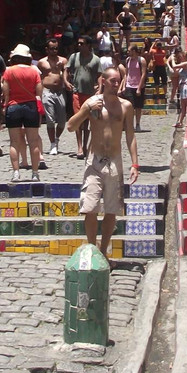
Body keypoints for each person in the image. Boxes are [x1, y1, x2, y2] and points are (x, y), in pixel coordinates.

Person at [67, 66, 139, 256]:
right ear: (103, 81)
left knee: (112, 208)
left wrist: (135, 164)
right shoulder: (92, 103)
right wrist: (86, 112)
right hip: (94, 161)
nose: (116, 84)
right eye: (113, 80)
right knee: (90, 207)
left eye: (118, 80)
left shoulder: (126, 106)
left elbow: (130, 136)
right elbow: (70, 126)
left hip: (114, 161)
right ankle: (92, 247)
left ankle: (104, 249)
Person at [1, 44, 44, 182]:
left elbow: (6, 92)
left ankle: (16, 173)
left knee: (14, 142)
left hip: (14, 107)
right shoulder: (34, 71)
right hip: (31, 106)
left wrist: (5, 106)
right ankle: (35, 173)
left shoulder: (9, 71)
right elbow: (39, 92)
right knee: (33, 141)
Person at [66, 36, 102, 159]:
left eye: (82, 44)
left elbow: (99, 75)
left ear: (88, 46)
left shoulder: (95, 59)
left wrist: (100, 88)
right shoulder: (74, 57)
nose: (79, 45)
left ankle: (86, 145)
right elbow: (66, 70)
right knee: (78, 120)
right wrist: (66, 82)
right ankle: (79, 146)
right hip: (77, 92)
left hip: (90, 93)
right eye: (78, 43)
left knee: (88, 121)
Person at [38, 39, 69, 156]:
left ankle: (56, 138)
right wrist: (39, 93)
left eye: (56, 48)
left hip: (60, 92)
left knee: (61, 121)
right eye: (51, 48)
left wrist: (62, 69)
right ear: (47, 49)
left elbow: (67, 76)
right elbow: (39, 78)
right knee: (50, 119)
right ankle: (52, 144)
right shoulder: (42, 62)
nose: (54, 50)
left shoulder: (63, 60)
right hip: (47, 91)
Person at [121, 43, 148, 133]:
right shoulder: (128, 60)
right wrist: (124, 85)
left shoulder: (141, 60)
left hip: (138, 85)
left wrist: (139, 88)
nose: (128, 53)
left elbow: (143, 74)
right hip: (129, 85)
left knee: (138, 107)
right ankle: (129, 124)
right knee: (130, 106)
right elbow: (126, 74)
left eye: (129, 51)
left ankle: (137, 123)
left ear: (134, 51)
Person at [172, 51, 187, 128]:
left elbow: (174, 66)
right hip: (183, 86)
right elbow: (175, 71)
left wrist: (172, 59)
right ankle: (180, 122)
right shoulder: (183, 65)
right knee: (183, 106)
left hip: (186, 85)